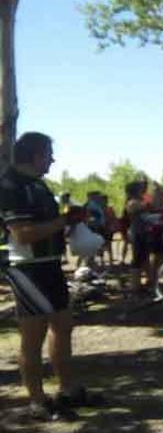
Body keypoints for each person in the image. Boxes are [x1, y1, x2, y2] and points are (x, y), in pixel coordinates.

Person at [0, 132, 103, 421]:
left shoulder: (39, 185)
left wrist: (72, 225)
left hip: (50, 264)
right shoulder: (10, 185)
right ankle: (37, 401)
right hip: (27, 268)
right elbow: (24, 233)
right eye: (48, 154)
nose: (52, 159)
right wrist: (64, 220)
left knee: (63, 326)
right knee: (33, 336)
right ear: (34, 155)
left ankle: (67, 389)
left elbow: (47, 226)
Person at [125, 181, 151, 295]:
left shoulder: (139, 200)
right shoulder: (132, 202)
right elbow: (146, 204)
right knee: (137, 259)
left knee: (144, 258)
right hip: (137, 232)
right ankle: (135, 286)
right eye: (140, 189)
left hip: (143, 231)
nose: (143, 190)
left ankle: (145, 282)